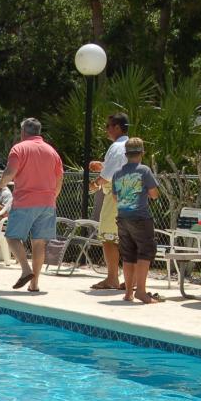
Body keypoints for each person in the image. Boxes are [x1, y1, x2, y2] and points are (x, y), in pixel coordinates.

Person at [0, 117, 63, 293]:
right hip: (48, 202)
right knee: (39, 244)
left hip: (25, 201)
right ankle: (34, 284)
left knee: (12, 237)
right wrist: (53, 197)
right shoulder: (51, 151)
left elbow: (10, 173)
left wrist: (1, 183)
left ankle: (26, 270)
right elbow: (59, 178)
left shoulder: (19, 148)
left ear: (22, 132)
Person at [111, 137, 162, 304]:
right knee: (145, 252)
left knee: (128, 254)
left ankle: (128, 293)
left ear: (126, 154)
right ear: (142, 153)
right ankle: (140, 291)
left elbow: (115, 198)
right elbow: (154, 194)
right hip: (140, 217)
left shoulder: (118, 173)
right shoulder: (144, 171)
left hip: (122, 217)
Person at [88, 113, 129, 290]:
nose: (107, 130)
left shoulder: (117, 146)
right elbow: (119, 168)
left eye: (109, 126)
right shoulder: (131, 144)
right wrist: (103, 165)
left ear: (117, 128)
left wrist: (95, 183)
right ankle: (130, 279)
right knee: (127, 238)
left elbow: (109, 175)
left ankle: (112, 278)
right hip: (131, 195)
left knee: (109, 237)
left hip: (115, 195)